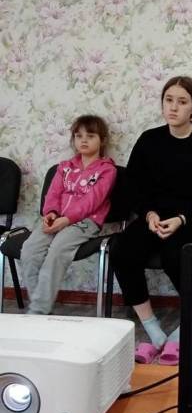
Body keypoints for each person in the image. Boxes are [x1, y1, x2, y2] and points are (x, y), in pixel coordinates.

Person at [111, 75, 192, 364]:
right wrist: (149, 214)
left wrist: (182, 219)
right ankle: (153, 330)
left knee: (176, 255)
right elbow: (134, 187)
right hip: (155, 217)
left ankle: (186, 326)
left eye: (182, 102)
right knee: (122, 250)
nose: (174, 107)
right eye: (169, 100)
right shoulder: (149, 140)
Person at [20, 115, 116, 315]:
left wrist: (67, 220)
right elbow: (53, 194)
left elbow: (91, 202)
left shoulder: (107, 170)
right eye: (78, 136)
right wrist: (51, 213)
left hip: (85, 223)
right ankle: (42, 307)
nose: (83, 140)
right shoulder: (64, 168)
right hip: (57, 219)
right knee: (29, 249)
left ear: (102, 140)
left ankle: (37, 311)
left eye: (90, 136)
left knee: (57, 250)